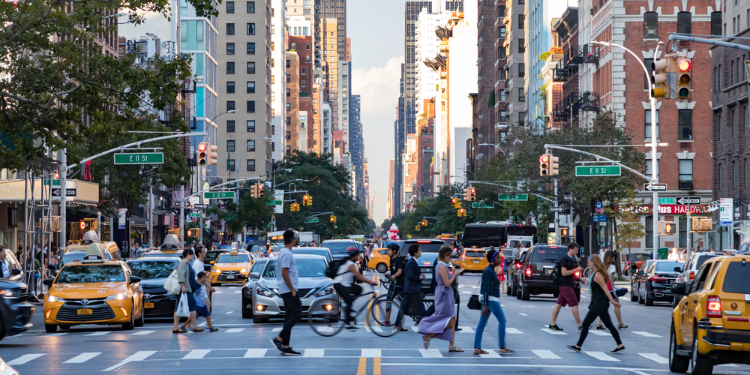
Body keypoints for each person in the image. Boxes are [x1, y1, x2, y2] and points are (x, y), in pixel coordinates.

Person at [567, 254, 625, 354]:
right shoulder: (596, 274)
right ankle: (620, 345)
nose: (588, 263)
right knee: (609, 325)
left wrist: (612, 301)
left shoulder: (598, 275)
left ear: (594, 262)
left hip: (599, 303)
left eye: (589, 262)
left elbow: (605, 288)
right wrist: (586, 282)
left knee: (585, 323)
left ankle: (578, 346)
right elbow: (596, 286)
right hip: (600, 302)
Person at [419, 246, 464, 351]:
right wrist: (455, 274)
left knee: (452, 319)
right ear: (444, 255)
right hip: (444, 294)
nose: (450, 258)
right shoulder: (441, 266)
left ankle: (451, 345)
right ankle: (429, 335)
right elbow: (447, 283)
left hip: (445, 293)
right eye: (449, 255)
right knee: (447, 319)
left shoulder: (443, 265)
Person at [474, 248, 514, 355]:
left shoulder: (491, 270)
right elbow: (486, 288)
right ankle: (502, 347)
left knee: (482, 323)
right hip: (490, 300)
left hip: (488, 300)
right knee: (502, 320)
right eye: (497, 258)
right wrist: (486, 305)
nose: (499, 259)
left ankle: (477, 347)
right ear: (492, 259)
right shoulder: (488, 271)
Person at [271, 230, 301, 356]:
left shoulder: (284, 252)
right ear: (293, 239)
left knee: (289, 316)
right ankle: (278, 339)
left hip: (287, 289)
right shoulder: (287, 254)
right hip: (288, 290)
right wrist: (292, 289)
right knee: (298, 314)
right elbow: (284, 273)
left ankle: (286, 346)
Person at [332, 247, 376, 329]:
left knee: (359, 289)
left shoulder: (352, 264)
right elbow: (359, 276)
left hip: (346, 284)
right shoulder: (350, 264)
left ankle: (348, 306)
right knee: (349, 302)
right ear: (353, 256)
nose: (358, 256)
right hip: (340, 284)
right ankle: (348, 323)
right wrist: (370, 282)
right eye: (357, 255)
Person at [549, 242, 583, 331]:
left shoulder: (571, 260)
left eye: (577, 250)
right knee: (575, 304)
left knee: (559, 304)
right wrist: (576, 269)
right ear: (570, 249)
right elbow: (564, 273)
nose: (577, 252)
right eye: (575, 250)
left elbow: (570, 274)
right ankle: (580, 325)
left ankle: (552, 324)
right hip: (565, 285)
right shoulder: (565, 259)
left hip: (566, 284)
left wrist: (580, 279)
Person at [395, 245, 427, 328]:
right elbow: (410, 275)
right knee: (421, 307)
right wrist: (420, 278)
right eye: (419, 251)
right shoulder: (412, 262)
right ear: (415, 253)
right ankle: (428, 324)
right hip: (413, 288)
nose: (421, 252)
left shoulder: (412, 261)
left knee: (403, 307)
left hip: (409, 288)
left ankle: (397, 324)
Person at [173, 248, 203, 334]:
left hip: (186, 288)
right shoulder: (183, 263)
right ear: (188, 254)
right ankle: (194, 326)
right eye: (192, 254)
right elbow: (181, 275)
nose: (193, 256)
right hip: (185, 289)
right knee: (193, 307)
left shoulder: (186, 263)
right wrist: (183, 286)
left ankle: (176, 328)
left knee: (178, 308)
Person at [596, 251, 627, 330]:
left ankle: (599, 323)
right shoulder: (612, 267)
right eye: (613, 257)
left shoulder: (601, 266)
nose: (614, 259)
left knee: (600, 305)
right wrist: (614, 288)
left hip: (601, 287)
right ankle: (620, 322)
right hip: (609, 287)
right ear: (611, 258)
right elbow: (611, 279)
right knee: (616, 303)